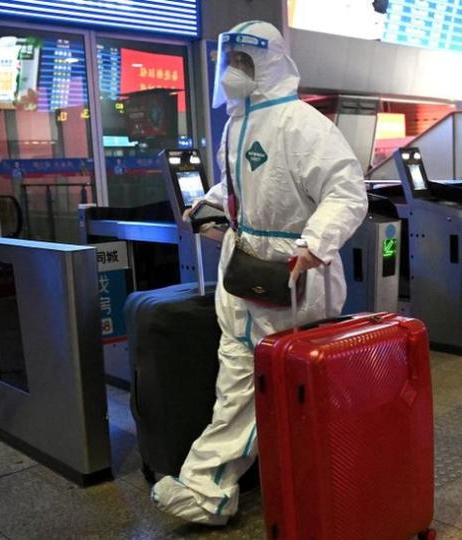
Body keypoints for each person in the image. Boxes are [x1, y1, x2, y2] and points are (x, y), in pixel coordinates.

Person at [151, 20, 367, 525]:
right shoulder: (236, 124)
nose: (231, 74)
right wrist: (206, 208)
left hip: (292, 282)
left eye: (243, 63)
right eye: (228, 62)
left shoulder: (302, 125)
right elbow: (235, 187)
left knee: (281, 388)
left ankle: (234, 487)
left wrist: (313, 245)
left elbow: (346, 191)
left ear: (268, 63)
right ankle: (217, 489)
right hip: (243, 274)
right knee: (240, 383)